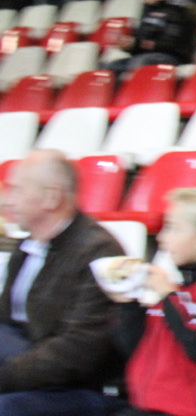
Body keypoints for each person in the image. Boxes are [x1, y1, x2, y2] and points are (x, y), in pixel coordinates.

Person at [0, 149, 125, 414]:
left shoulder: (99, 252)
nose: (8, 201)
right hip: (24, 369)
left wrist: (5, 377)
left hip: (79, 386)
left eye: (17, 190)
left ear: (52, 197)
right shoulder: (26, 247)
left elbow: (79, 350)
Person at [111, 187, 196, 416]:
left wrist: (169, 295)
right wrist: (128, 304)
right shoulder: (177, 291)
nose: (161, 238)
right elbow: (133, 349)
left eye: (173, 228)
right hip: (144, 408)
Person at [103, 0, 196, 74]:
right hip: (146, 56)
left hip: (170, 57)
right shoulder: (148, 11)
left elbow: (171, 44)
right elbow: (140, 41)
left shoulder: (177, 13)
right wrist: (129, 46)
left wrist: (138, 43)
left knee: (139, 63)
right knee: (109, 67)